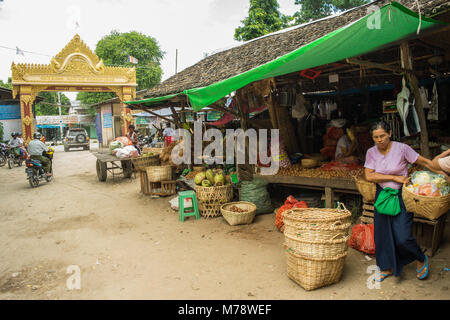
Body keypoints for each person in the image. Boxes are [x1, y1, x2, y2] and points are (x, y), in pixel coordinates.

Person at [364, 120, 446, 282]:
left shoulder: (402, 149)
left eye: (382, 136)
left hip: (402, 195)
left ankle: (421, 258)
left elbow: (424, 162)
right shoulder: (371, 152)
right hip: (383, 196)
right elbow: (369, 175)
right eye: (375, 137)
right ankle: (386, 267)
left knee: (403, 236)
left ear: (389, 134)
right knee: (383, 234)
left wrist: (442, 173)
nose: (379, 140)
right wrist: (394, 177)